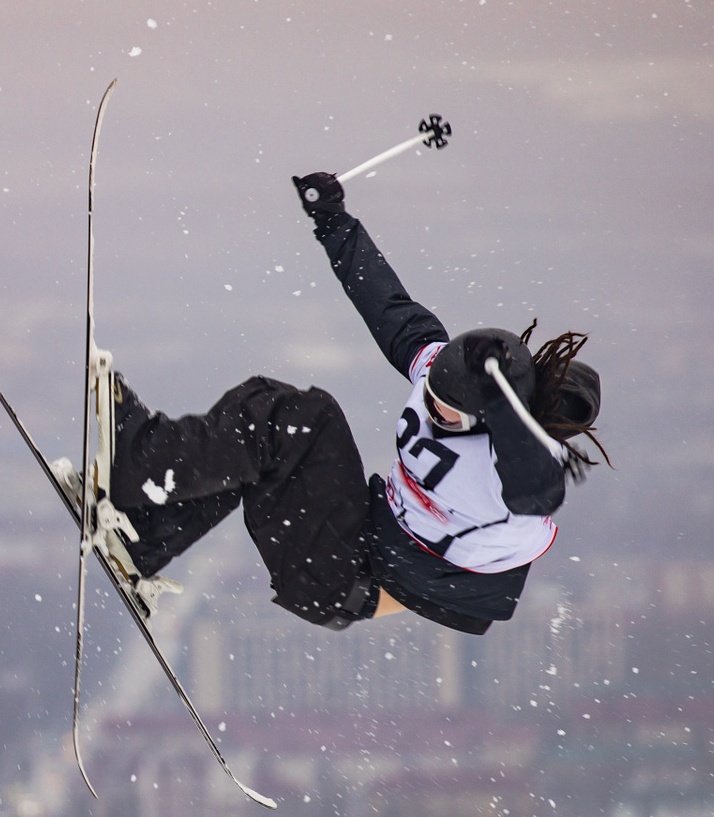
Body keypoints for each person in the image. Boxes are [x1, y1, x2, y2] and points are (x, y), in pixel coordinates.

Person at [105, 170, 606, 634]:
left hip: (346, 578)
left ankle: (139, 459)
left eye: (449, 413)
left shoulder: (511, 472)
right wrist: (334, 222)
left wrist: (499, 405)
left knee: (299, 420)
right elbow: (386, 304)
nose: (434, 411)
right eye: (431, 397)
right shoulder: (436, 371)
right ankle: (143, 537)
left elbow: (539, 487)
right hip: (351, 540)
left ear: (487, 415)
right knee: (263, 421)